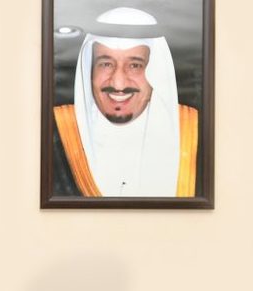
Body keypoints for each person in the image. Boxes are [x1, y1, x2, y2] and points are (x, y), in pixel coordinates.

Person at [53, 7, 198, 198]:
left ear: (155, 72)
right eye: (106, 64)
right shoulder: (54, 131)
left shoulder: (195, 132)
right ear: (90, 69)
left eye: (135, 65)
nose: (118, 83)